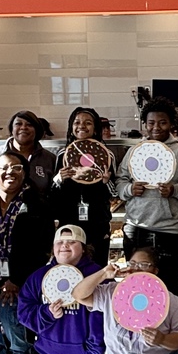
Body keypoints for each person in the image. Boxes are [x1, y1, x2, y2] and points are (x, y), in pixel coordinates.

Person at [0, 151, 54, 354]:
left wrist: (18, 279)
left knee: (11, 314)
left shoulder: (36, 202)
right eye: (3, 168)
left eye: (16, 168)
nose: (9, 172)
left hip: (20, 275)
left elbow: (42, 246)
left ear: (24, 172)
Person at [115, 97, 178, 297]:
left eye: (162, 122)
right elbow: (120, 181)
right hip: (136, 227)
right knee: (135, 282)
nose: (156, 127)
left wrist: (174, 190)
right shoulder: (134, 151)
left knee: (168, 281)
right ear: (145, 124)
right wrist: (130, 189)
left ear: (171, 123)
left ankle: (171, 316)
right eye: (151, 123)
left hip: (170, 230)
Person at [17, 224, 104, 354]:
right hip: (48, 351)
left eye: (72, 241)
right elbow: (23, 311)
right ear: (53, 248)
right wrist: (46, 314)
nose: (64, 245)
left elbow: (103, 317)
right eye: (60, 242)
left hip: (84, 353)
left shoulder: (97, 276)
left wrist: (93, 352)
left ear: (84, 248)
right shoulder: (39, 276)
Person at [50, 107, 115, 265]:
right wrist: (58, 179)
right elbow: (52, 194)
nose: (82, 126)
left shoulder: (106, 155)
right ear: (71, 127)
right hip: (69, 223)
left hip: (98, 223)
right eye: (77, 122)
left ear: (95, 128)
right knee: (70, 268)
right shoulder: (63, 155)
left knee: (97, 268)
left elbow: (114, 193)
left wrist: (106, 181)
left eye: (88, 123)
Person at [0, 110, 58, 198]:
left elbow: (54, 193)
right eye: (18, 124)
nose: (23, 127)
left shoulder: (50, 159)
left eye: (29, 125)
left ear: (37, 130)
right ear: (11, 130)